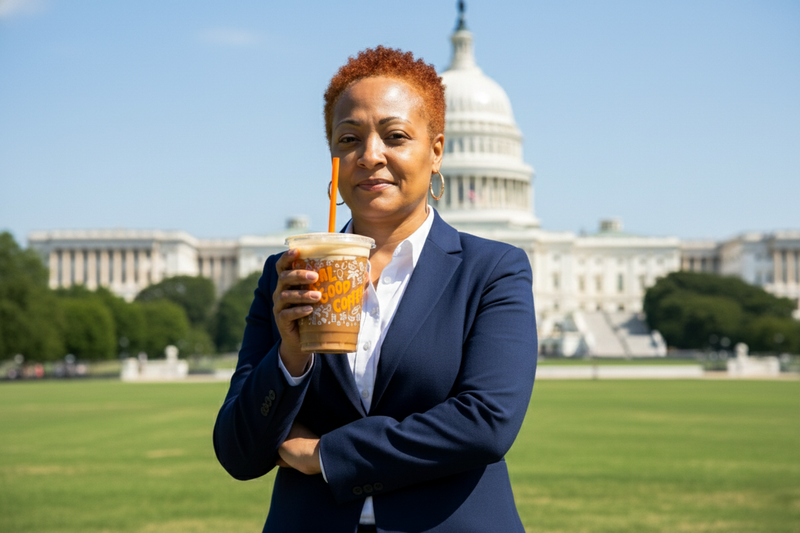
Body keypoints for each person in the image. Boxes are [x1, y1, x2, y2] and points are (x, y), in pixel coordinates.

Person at [213, 45, 537, 533]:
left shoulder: (492, 270)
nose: (369, 156)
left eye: (395, 136)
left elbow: (485, 424)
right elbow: (239, 451)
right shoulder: (287, 273)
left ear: (436, 151)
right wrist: (290, 359)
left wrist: (324, 454)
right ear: (332, 158)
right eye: (349, 139)